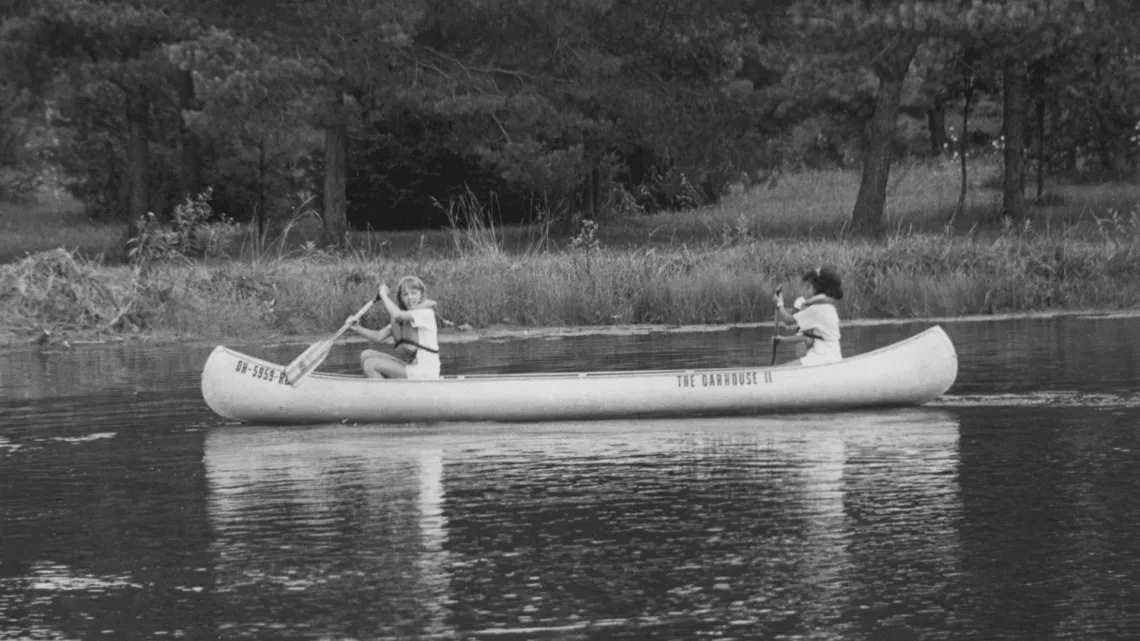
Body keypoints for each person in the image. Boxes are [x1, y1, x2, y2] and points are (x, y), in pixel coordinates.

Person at [347, 276, 441, 379]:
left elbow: (397, 314)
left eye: (414, 293)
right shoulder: (403, 318)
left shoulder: (425, 313)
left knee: (370, 364)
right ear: (401, 298)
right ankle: (377, 388)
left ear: (421, 294)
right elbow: (379, 336)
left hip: (425, 372)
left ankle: (382, 394)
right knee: (366, 355)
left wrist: (383, 295)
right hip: (413, 368)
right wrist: (358, 328)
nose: (409, 297)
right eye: (405, 294)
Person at [772, 265, 843, 366]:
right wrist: (783, 339)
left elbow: (788, 320)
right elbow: (807, 339)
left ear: (816, 288)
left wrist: (779, 304)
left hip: (823, 357)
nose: (807, 290)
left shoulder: (816, 309)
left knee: (783, 368)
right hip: (833, 355)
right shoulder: (830, 308)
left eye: (809, 287)